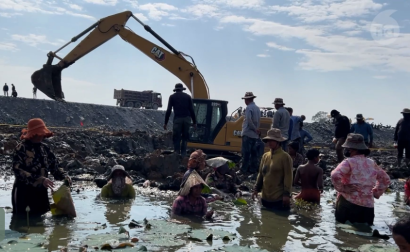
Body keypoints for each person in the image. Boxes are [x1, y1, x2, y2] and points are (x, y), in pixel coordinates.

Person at [12, 118, 71, 216]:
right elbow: (18, 170)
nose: (41, 136)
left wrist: (64, 176)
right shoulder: (21, 148)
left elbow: (55, 167)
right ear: (32, 134)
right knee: (24, 223)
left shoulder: (45, 148)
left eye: (42, 133)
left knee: (42, 220)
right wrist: (40, 179)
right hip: (24, 193)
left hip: (41, 192)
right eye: (38, 133)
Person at [331, 133, 390, 225]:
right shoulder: (371, 163)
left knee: (342, 234)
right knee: (366, 233)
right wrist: (376, 192)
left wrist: (342, 188)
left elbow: (335, 175)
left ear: (350, 149)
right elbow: (386, 179)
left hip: (348, 203)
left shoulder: (349, 162)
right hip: (368, 207)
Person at [252, 128, 293, 210]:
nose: (269, 142)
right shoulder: (265, 156)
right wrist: (256, 189)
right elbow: (261, 174)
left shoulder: (285, 157)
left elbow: (288, 177)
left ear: (278, 142)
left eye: (272, 140)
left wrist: (286, 194)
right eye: (268, 140)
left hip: (278, 199)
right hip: (265, 198)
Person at [164, 83, 197, 157]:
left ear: (175, 90)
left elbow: (168, 110)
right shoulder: (188, 97)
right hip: (187, 119)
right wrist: (194, 122)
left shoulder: (172, 97)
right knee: (185, 137)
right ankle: (183, 154)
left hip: (178, 119)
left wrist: (165, 123)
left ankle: (176, 153)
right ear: (182, 89)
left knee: (176, 137)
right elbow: (192, 110)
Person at [240, 92, 261, 174]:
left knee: (246, 153)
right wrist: (256, 130)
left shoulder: (249, 108)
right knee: (253, 154)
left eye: (245, 99)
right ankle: (252, 170)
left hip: (248, 133)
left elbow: (248, 120)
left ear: (247, 99)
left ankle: (243, 169)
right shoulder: (257, 108)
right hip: (254, 135)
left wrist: (254, 129)